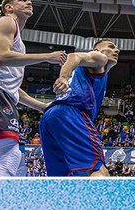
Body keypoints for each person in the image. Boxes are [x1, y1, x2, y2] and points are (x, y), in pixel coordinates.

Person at [0, 0, 67, 177]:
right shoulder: (6, 22)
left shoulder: (17, 38)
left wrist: (42, 107)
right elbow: (2, 58)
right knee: (10, 157)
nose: (29, 2)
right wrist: (48, 57)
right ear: (9, 7)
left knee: (19, 164)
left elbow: (13, 89)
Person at [38, 39, 121, 177]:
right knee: (98, 171)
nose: (116, 50)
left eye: (117, 49)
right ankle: (99, 199)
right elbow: (74, 56)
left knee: (62, 179)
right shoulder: (100, 59)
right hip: (71, 114)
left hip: (49, 117)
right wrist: (63, 78)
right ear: (97, 51)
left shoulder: (84, 75)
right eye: (111, 47)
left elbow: (49, 107)